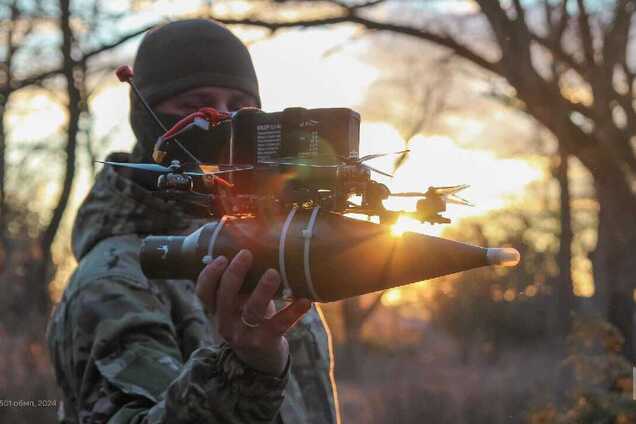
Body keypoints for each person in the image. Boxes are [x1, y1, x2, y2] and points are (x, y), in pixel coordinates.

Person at [47, 19, 340, 424]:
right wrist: (245, 371)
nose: (221, 118)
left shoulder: (269, 245)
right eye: (193, 105)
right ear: (147, 114)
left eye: (240, 107)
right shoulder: (116, 279)